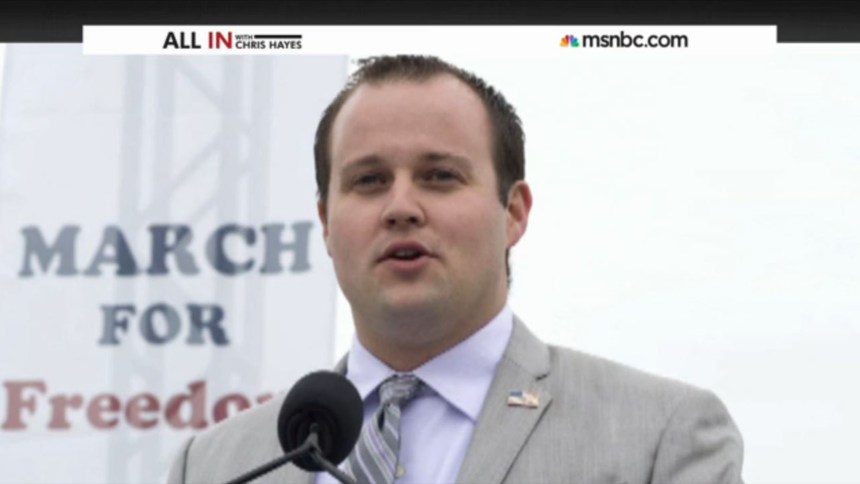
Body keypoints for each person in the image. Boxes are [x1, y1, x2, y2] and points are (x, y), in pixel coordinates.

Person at [168, 55, 744, 483]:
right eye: (369, 180)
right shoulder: (216, 465)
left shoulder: (660, 434)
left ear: (513, 213)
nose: (400, 207)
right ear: (325, 221)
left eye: (440, 176)